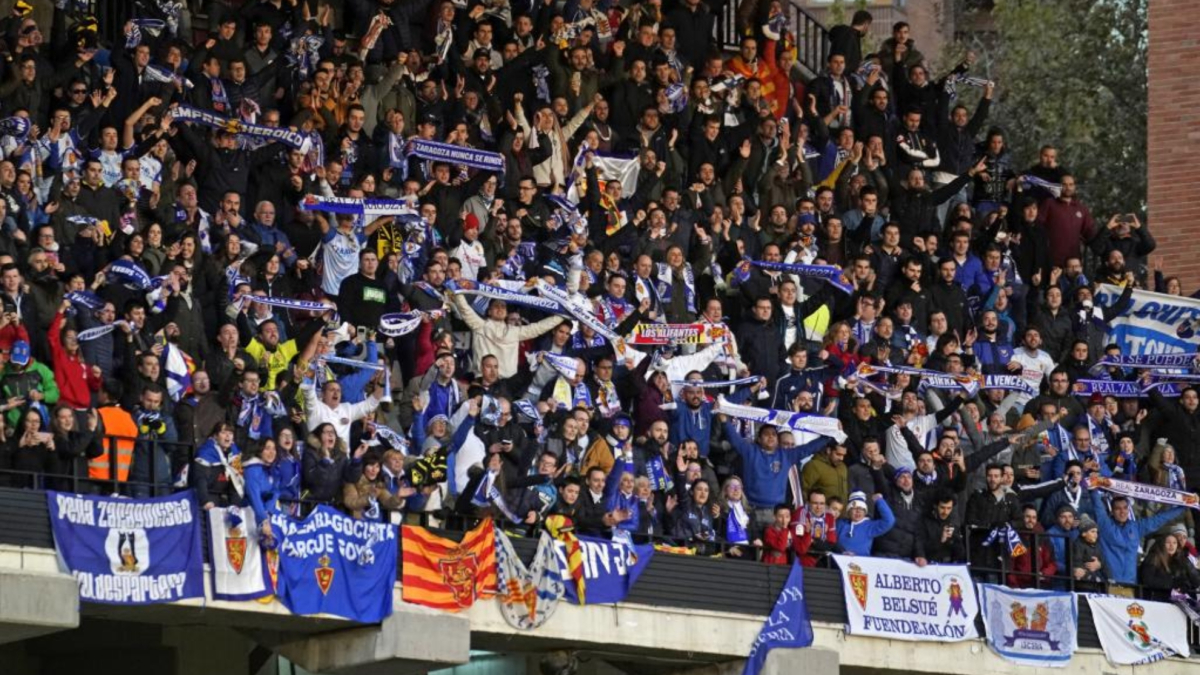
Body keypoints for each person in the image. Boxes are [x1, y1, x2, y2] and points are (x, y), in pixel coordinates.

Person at [835, 490, 894, 555]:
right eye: (854, 508)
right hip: (839, 558)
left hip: (862, 560)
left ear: (865, 512)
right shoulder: (840, 523)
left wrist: (879, 501)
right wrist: (841, 551)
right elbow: (832, 542)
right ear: (849, 511)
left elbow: (889, 521)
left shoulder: (869, 526)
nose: (858, 511)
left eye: (861, 508)